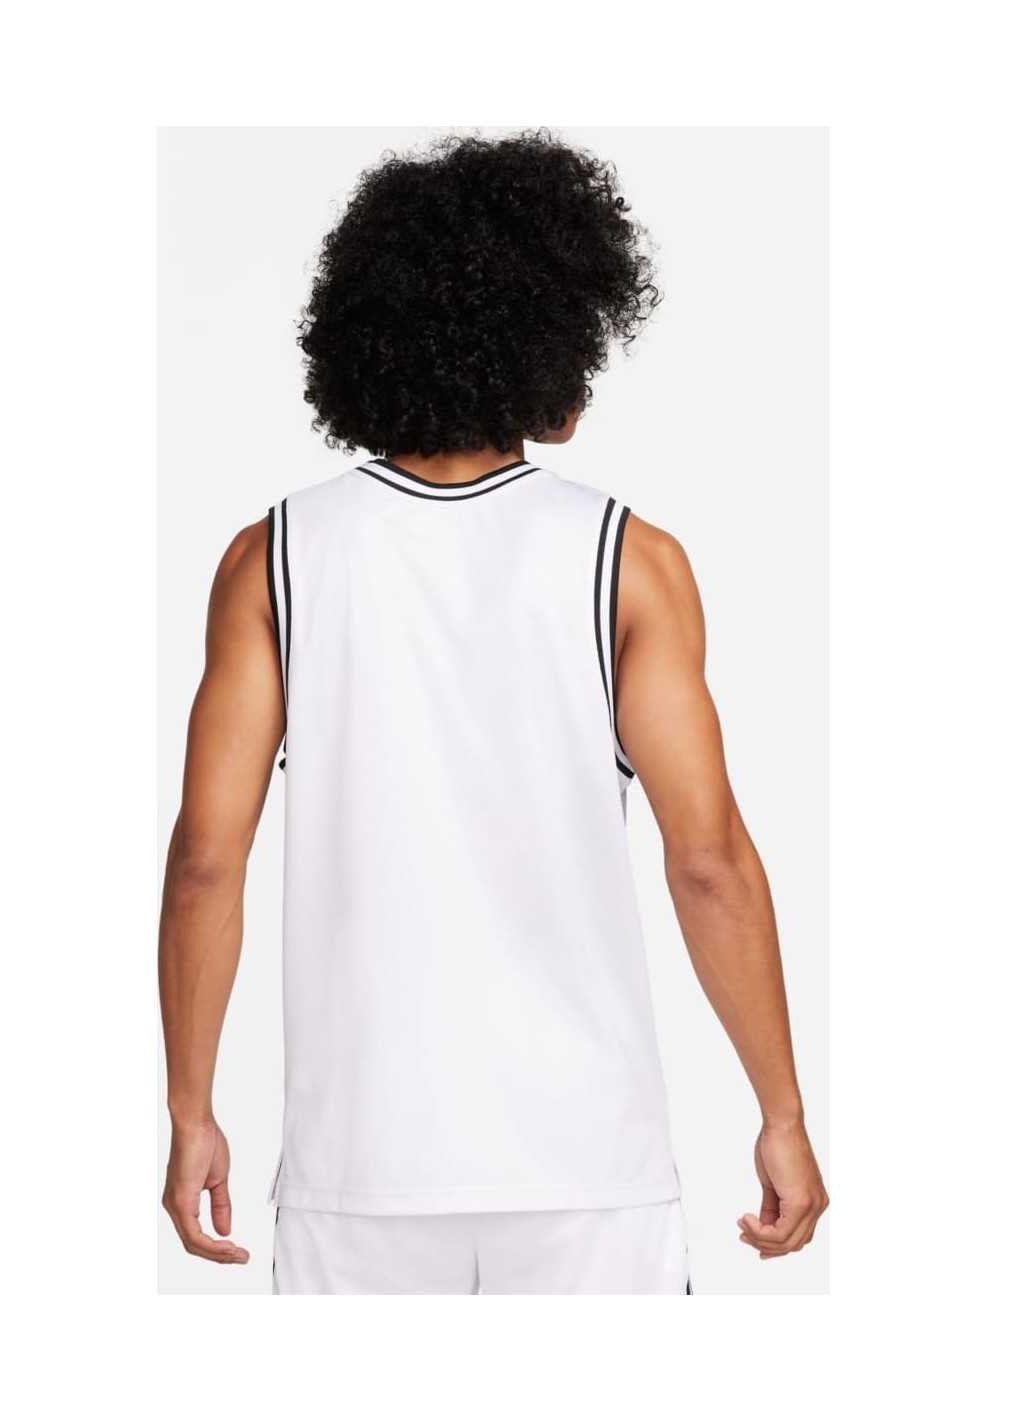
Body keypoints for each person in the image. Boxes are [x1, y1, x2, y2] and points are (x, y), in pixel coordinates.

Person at [159, 130, 828, 1294]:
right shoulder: (630, 562)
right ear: (551, 340)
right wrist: (780, 1112)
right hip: (589, 1167)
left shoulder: (271, 559)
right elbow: (707, 858)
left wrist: (189, 1111)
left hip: (357, 1167)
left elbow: (206, 861)